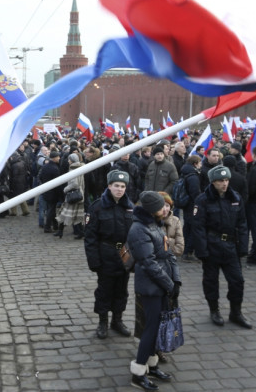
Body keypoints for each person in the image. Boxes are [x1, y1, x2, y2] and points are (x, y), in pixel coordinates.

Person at [127, 191, 179, 391]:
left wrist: (176, 280)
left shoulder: (154, 223)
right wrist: (168, 284)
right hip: (150, 287)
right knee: (150, 329)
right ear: (151, 209)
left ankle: (152, 365)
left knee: (157, 327)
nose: (164, 209)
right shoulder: (139, 229)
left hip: (160, 283)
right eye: (160, 207)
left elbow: (166, 253)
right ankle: (138, 373)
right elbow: (148, 262)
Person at [194, 165, 252, 329]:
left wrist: (243, 246)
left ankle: (236, 312)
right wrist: (202, 250)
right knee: (211, 281)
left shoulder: (235, 198)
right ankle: (214, 310)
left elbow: (242, 223)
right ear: (213, 182)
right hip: (212, 246)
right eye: (220, 181)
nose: (224, 184)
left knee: (237, 280)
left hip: (230, 246)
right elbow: (198, 227)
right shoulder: (203, 200)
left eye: (226, 180)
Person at [84, 170, 135, 339]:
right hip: (106, 253)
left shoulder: (130, 207)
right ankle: (103, 322)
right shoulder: (97, 206)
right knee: (104, 290)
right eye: (116, 186)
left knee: (122, 290)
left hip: (124, 254)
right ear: (109, 186)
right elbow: (90, 237)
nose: (120, 189)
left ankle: (117, 320)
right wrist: (94, 260)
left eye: (122, 186)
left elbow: (135, 234)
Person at [57, 153, 86, 239]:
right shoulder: (81, 167)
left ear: (72, 160)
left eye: (69, 159)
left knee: (64, 212)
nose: (68, 161)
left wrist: (65, 189)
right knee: (76, 214)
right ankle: (80, 232)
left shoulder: (73, 169)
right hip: (80, 194)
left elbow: (74, 184)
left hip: (73, 195)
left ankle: (61, 231)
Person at [39, 151, 63, 234]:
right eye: (58, 157)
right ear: (54, 158)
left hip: (46, 191)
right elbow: (57, 183)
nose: (59, 158)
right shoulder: (55, 168)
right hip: (53, 192)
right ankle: (47, 226)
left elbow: (41, 177)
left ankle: (55, 225)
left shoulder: (45, 166)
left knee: (51, 209)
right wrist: (60, 195)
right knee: (51, 210)